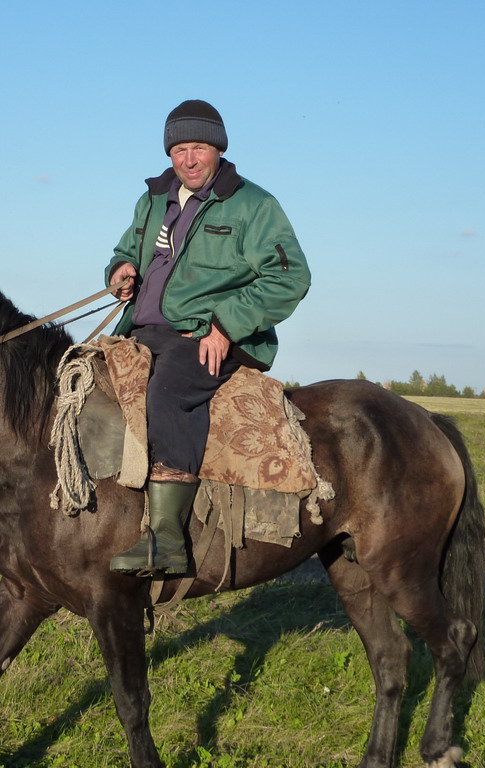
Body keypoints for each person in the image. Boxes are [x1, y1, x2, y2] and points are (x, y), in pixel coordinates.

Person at [106, 99, 311, 577]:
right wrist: (120, 269)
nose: (189, 159)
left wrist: (226, 326)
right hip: (140, 331)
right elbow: (124, 248)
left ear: (218, 149)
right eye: (179, 150)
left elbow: (290, 277)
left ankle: (167, 541)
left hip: (205, 336)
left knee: (168, 392)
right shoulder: (153, 199)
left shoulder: (254, 204)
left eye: (199, 147)